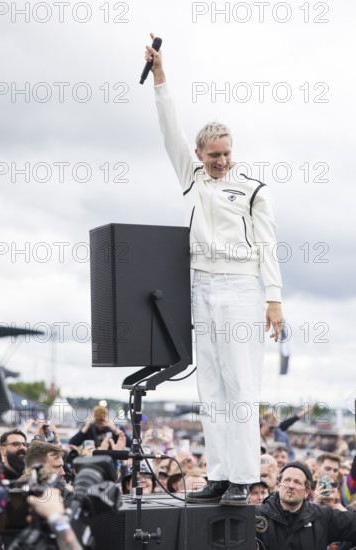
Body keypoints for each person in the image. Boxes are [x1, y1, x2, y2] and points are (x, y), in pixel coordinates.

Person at [145, 33, 283, 505]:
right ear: (201, 155)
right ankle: (220, 475)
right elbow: (169, 129)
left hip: (243, 286)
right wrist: (160, 76)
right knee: (212, 385)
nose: (222, 160)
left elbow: (268, 244)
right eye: (213, 154)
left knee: (242, 384)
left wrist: (274, 298)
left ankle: (244, 478)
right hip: (200, 284)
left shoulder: (252, 189)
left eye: (227, 152)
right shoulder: (193, 179)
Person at [255, 461, 356, 550]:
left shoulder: (322, 516)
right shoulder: (258, 515)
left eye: (297, 482)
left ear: (307, 491)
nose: (291, 486)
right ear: (278, 485)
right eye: (287, 480)